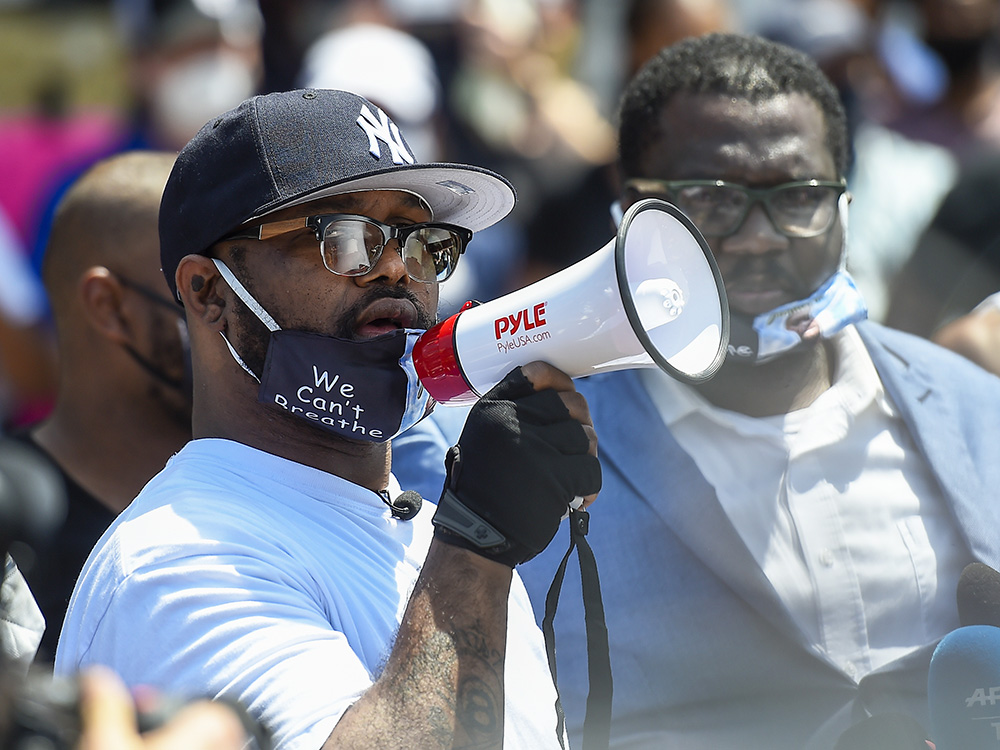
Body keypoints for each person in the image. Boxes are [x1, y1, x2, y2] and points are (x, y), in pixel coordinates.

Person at [55, 88, 601, 750]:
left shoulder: (439, 539)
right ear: (209, 294)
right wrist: (478, 548)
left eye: (425, 242)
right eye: (342, 238)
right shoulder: (174, 559)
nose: (400, 268)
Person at [505, 32, 1000, 749]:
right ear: (627, 209)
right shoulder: (525, 457)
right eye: (710, 199)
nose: (758, 237)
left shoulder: (972, 404)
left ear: (845, 203)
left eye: (799, 196)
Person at [6, 151, 191, 664]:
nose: (230, 315)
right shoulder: (14, 528)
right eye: (197, 288)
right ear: (108, 306)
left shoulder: (257, 497)